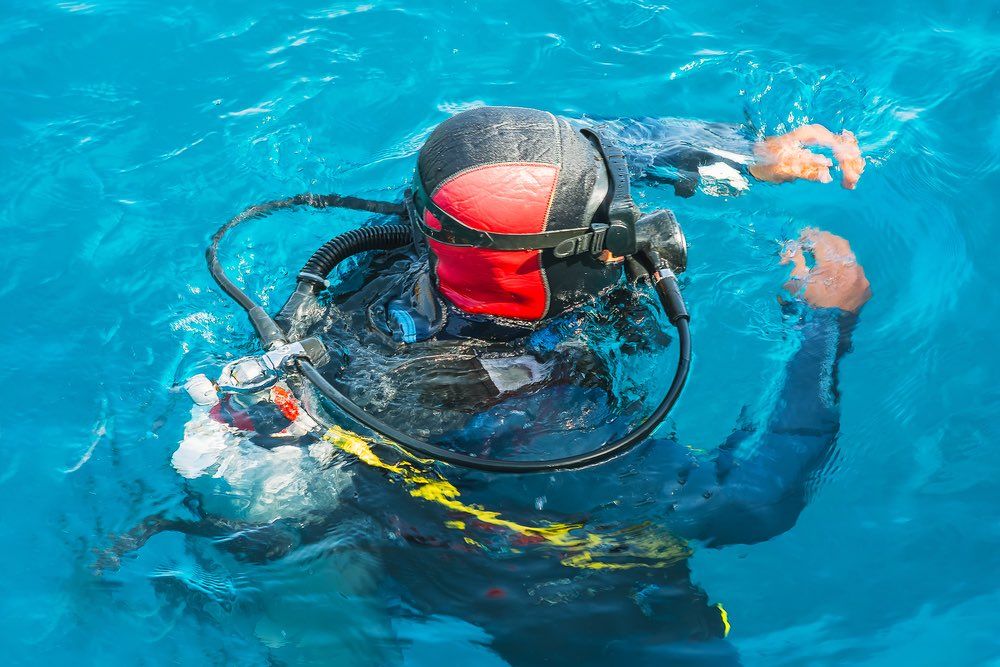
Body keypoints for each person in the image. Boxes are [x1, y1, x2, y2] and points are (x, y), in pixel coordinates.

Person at [161, 106, 871, 665]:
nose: (628, 234)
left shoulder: (430, 246)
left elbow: (579, 146)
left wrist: (746, 148)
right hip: (539, 592)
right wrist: (825, 325)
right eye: (605, 228)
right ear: (554, 265)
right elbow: (749, 506)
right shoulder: (531, 416)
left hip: (398, 509)